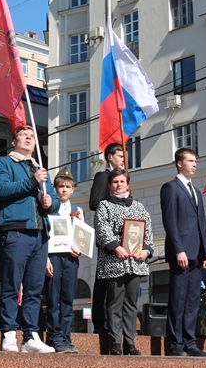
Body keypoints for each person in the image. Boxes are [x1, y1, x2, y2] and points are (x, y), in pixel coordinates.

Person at [0, 125, 60, 353]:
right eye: (24, 135)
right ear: (14, 141)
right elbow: (1, 190)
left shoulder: (40, 169)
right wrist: (32, 181)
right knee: (12, 284)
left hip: (40, 233)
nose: (29, 138)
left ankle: (31, 335)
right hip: (16, 230)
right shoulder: (4, 163)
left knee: (34, 288)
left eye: (32, 136)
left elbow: (54, 200)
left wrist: (50, 203)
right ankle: (9, 333)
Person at [95, 168, 153, 356]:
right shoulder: (104, 206)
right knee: (114, 302)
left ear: (128, 185)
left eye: (122, 181)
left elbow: (148, 231)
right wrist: (115, 247)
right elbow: (102, 229)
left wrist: (146, 250)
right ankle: (115, 342)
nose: (119, 185)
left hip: (135, 263)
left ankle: (130, 342)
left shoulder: (139, 207)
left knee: (131, 303)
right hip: (114, 262)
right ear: (110, 185)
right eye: (115, 182)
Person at [161, 148, 206, 357]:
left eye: (195, 161)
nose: (194, 164)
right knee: (178, 299)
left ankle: (190, 342)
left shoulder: (196, 192)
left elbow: (202, 224)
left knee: (192, 301)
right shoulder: (170, 188)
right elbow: (170, 222)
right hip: (181, 253)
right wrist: (178, 250)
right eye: (190, 161)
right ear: (179, 163)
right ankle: (175, 343)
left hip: (197, 254)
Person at [44, 169, 83, 353]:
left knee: (67, 298)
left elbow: (81, 235)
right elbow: (44, 235)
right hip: (54, 256)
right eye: (61, 186)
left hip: (70, 258)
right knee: (53, 299)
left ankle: (66, 337)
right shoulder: (49, 209)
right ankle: (55, 337)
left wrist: (79, 248)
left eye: (68, 187)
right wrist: (45, 259)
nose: (64, 190)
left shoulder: (77, 210)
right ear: (55, 188)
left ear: (73, 190)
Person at [89, 143, 124, 338]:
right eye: (120, 156)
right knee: (103, 281)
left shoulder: (123, 179)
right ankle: (99, 322)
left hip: (122, 238)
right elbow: (94, 202)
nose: (123, 159)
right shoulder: (103, 177)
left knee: (118, 283)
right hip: (107, 237)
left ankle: (116, 323)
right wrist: (114, 200)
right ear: (110, 157)